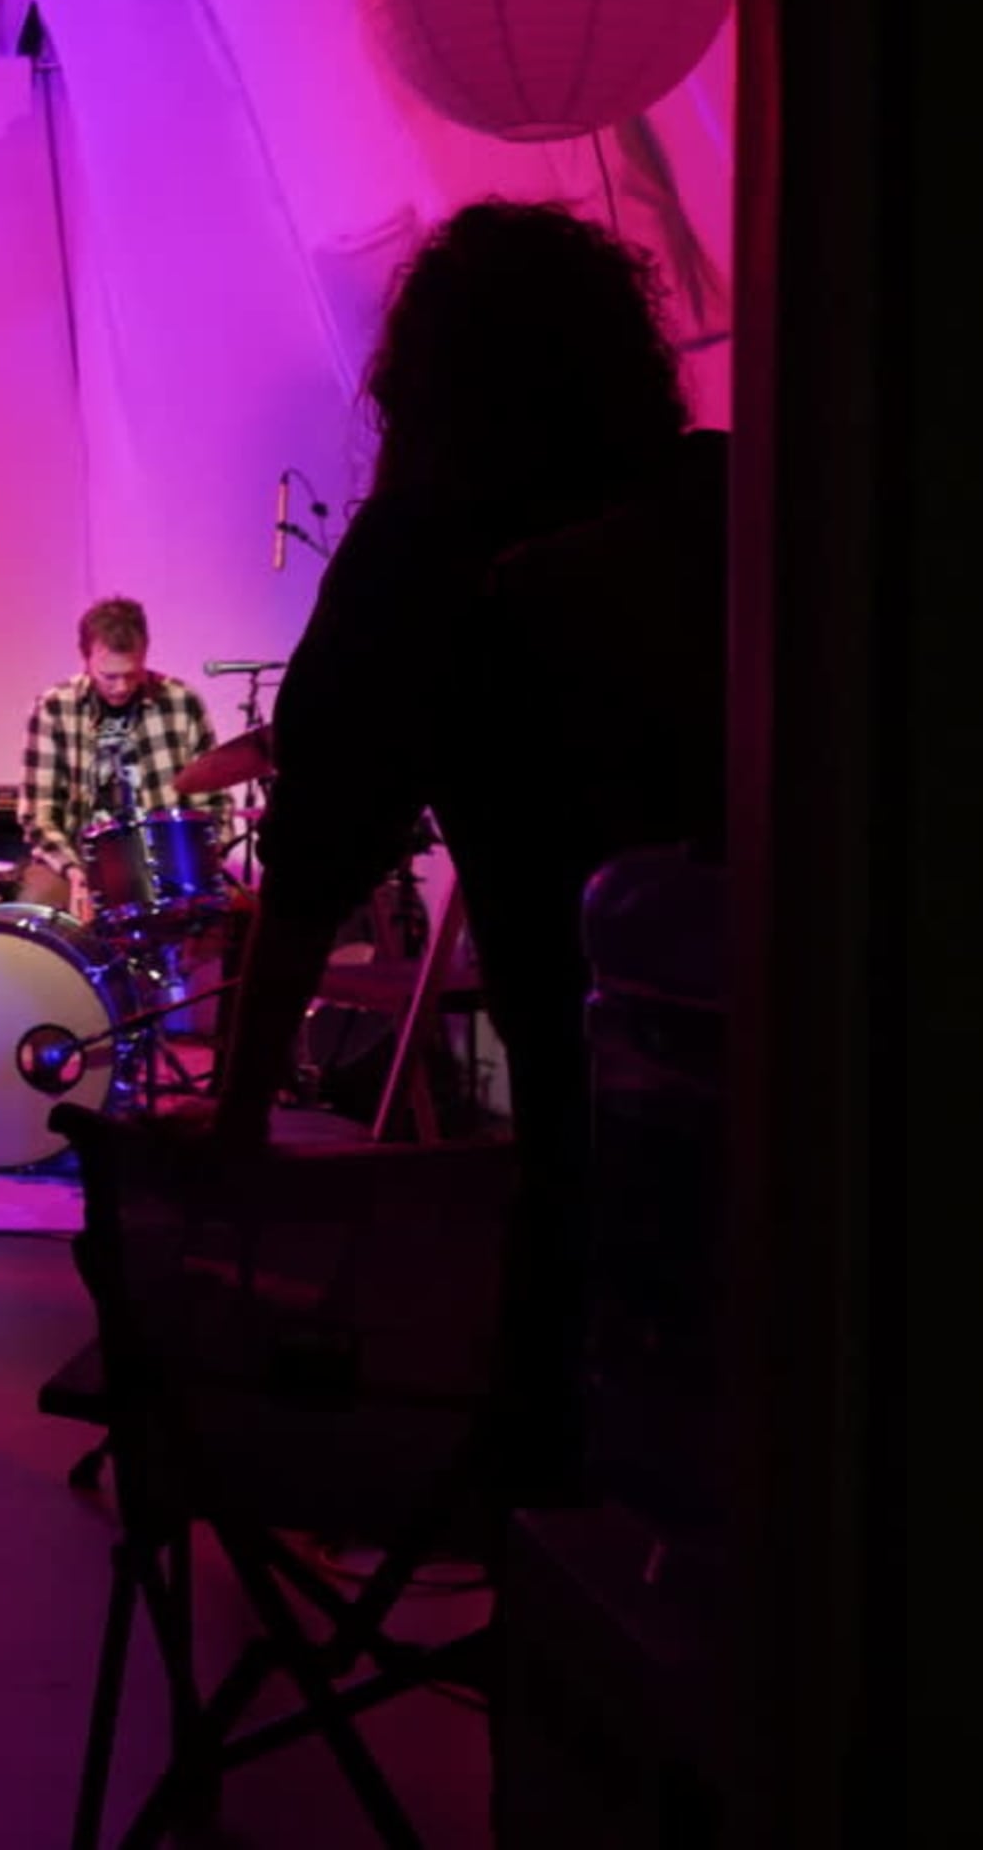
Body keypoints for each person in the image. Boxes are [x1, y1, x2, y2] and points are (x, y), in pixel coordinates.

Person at [191, 199, 728, 1494]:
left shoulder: (420, 557)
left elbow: (312, 861)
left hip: (592, 1114)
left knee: (576, 1469)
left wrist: (237, 1125)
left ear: (422, 382)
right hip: (810, 1084)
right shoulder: (719, 498)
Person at [17, 595, 230, 918]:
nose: (121, 687)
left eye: (132, 674)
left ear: (145, 653)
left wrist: (202, 859)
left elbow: (213, 803)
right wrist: (74, 872)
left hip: (165, 862)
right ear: (85, 658)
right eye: (109, 676)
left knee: (216, 915)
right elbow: (39, 813)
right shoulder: (54, 707)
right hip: (79, 860)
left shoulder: (182, 701)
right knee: (38, 902)